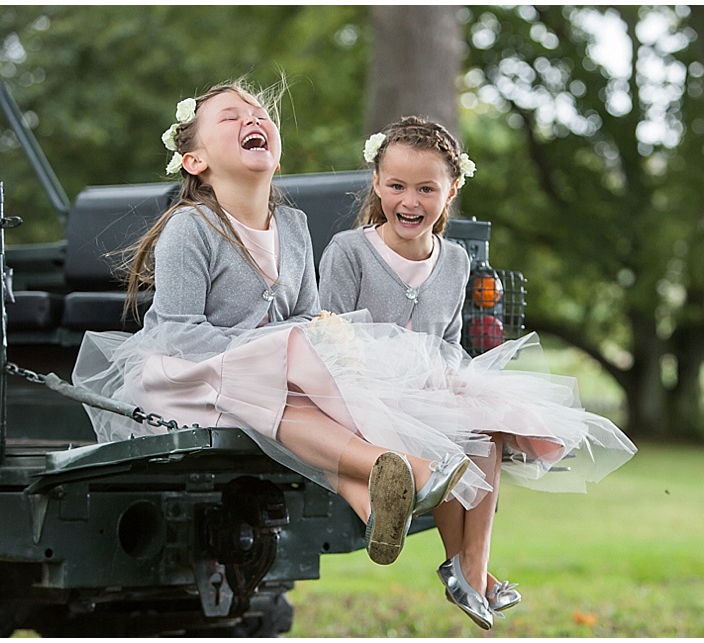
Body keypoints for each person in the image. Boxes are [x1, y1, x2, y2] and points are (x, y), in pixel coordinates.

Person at [71, 81, 487, 568]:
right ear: (195, 161)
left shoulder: (292, 227)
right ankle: (401, 468)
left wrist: (308, 342)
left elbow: (307, 314)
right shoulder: (191, 227)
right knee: (286, 375)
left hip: (264, 384)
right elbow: (179, 333)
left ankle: (374, 502)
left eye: (260, 114)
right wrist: (272, 346)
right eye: (230, 117)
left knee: (304, 384)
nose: (252, 119)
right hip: (185, 380)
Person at [318, 116, 638, 629]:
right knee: (454, 428)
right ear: (376, 183)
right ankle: (473, 574)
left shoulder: (456, 260)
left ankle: (472, 566)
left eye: (426, 188)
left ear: (451, 190)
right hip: (362, 394)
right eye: (396, 186)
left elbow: (445, 343)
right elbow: (328, 335)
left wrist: (450, 378)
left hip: (425, 387)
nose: (409, 201)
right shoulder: (350, 251)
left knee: (481, 422)